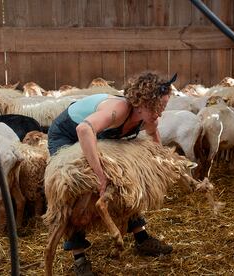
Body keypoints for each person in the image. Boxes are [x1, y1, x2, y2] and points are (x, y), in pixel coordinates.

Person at [47, 72, 176, 276]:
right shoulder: (119, 109)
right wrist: (99, 175)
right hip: (68, 134)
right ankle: (79, 257)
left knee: (125, 181)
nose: (159, 113)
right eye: (157, 106)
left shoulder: (147, 118)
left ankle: (141, 238)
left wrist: (163, 164)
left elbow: (154, 137)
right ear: (141, 102)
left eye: (163, 107)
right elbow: (84, 130)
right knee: (75, 190)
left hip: (97, 137)